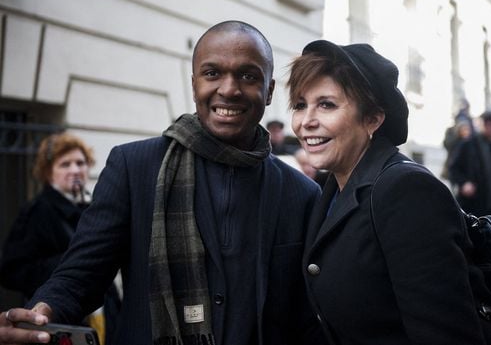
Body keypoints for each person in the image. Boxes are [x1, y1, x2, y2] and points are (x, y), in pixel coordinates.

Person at [0, 21, 325, 345]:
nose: (229, 89)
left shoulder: (303, 194)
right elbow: (81, 275)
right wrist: (43, 313)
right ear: (194, 82)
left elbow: (306, 315)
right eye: (212, 74)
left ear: (269, 91)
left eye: (248, 76)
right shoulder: (134, 167)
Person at [287, 39, 491, 345]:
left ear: (373, 119)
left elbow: (446, 334)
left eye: (326, 104)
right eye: (300, 105)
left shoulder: (406, 190)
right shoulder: (332, 188)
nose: (306, 122)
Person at [0, 133, 120, 344]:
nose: (75, 170)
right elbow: (12, 270)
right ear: (48, 173)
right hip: (59, 319)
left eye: (80, 163)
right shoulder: (38, 210)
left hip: (102, 317)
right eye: (65, 164)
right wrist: (69, 265)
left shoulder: (91, 206)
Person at [449, 110, 491, 224]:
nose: (489, 128)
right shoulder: (469, 144)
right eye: (487, 124)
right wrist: (463, 183)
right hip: (477, 201)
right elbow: (454, 168)